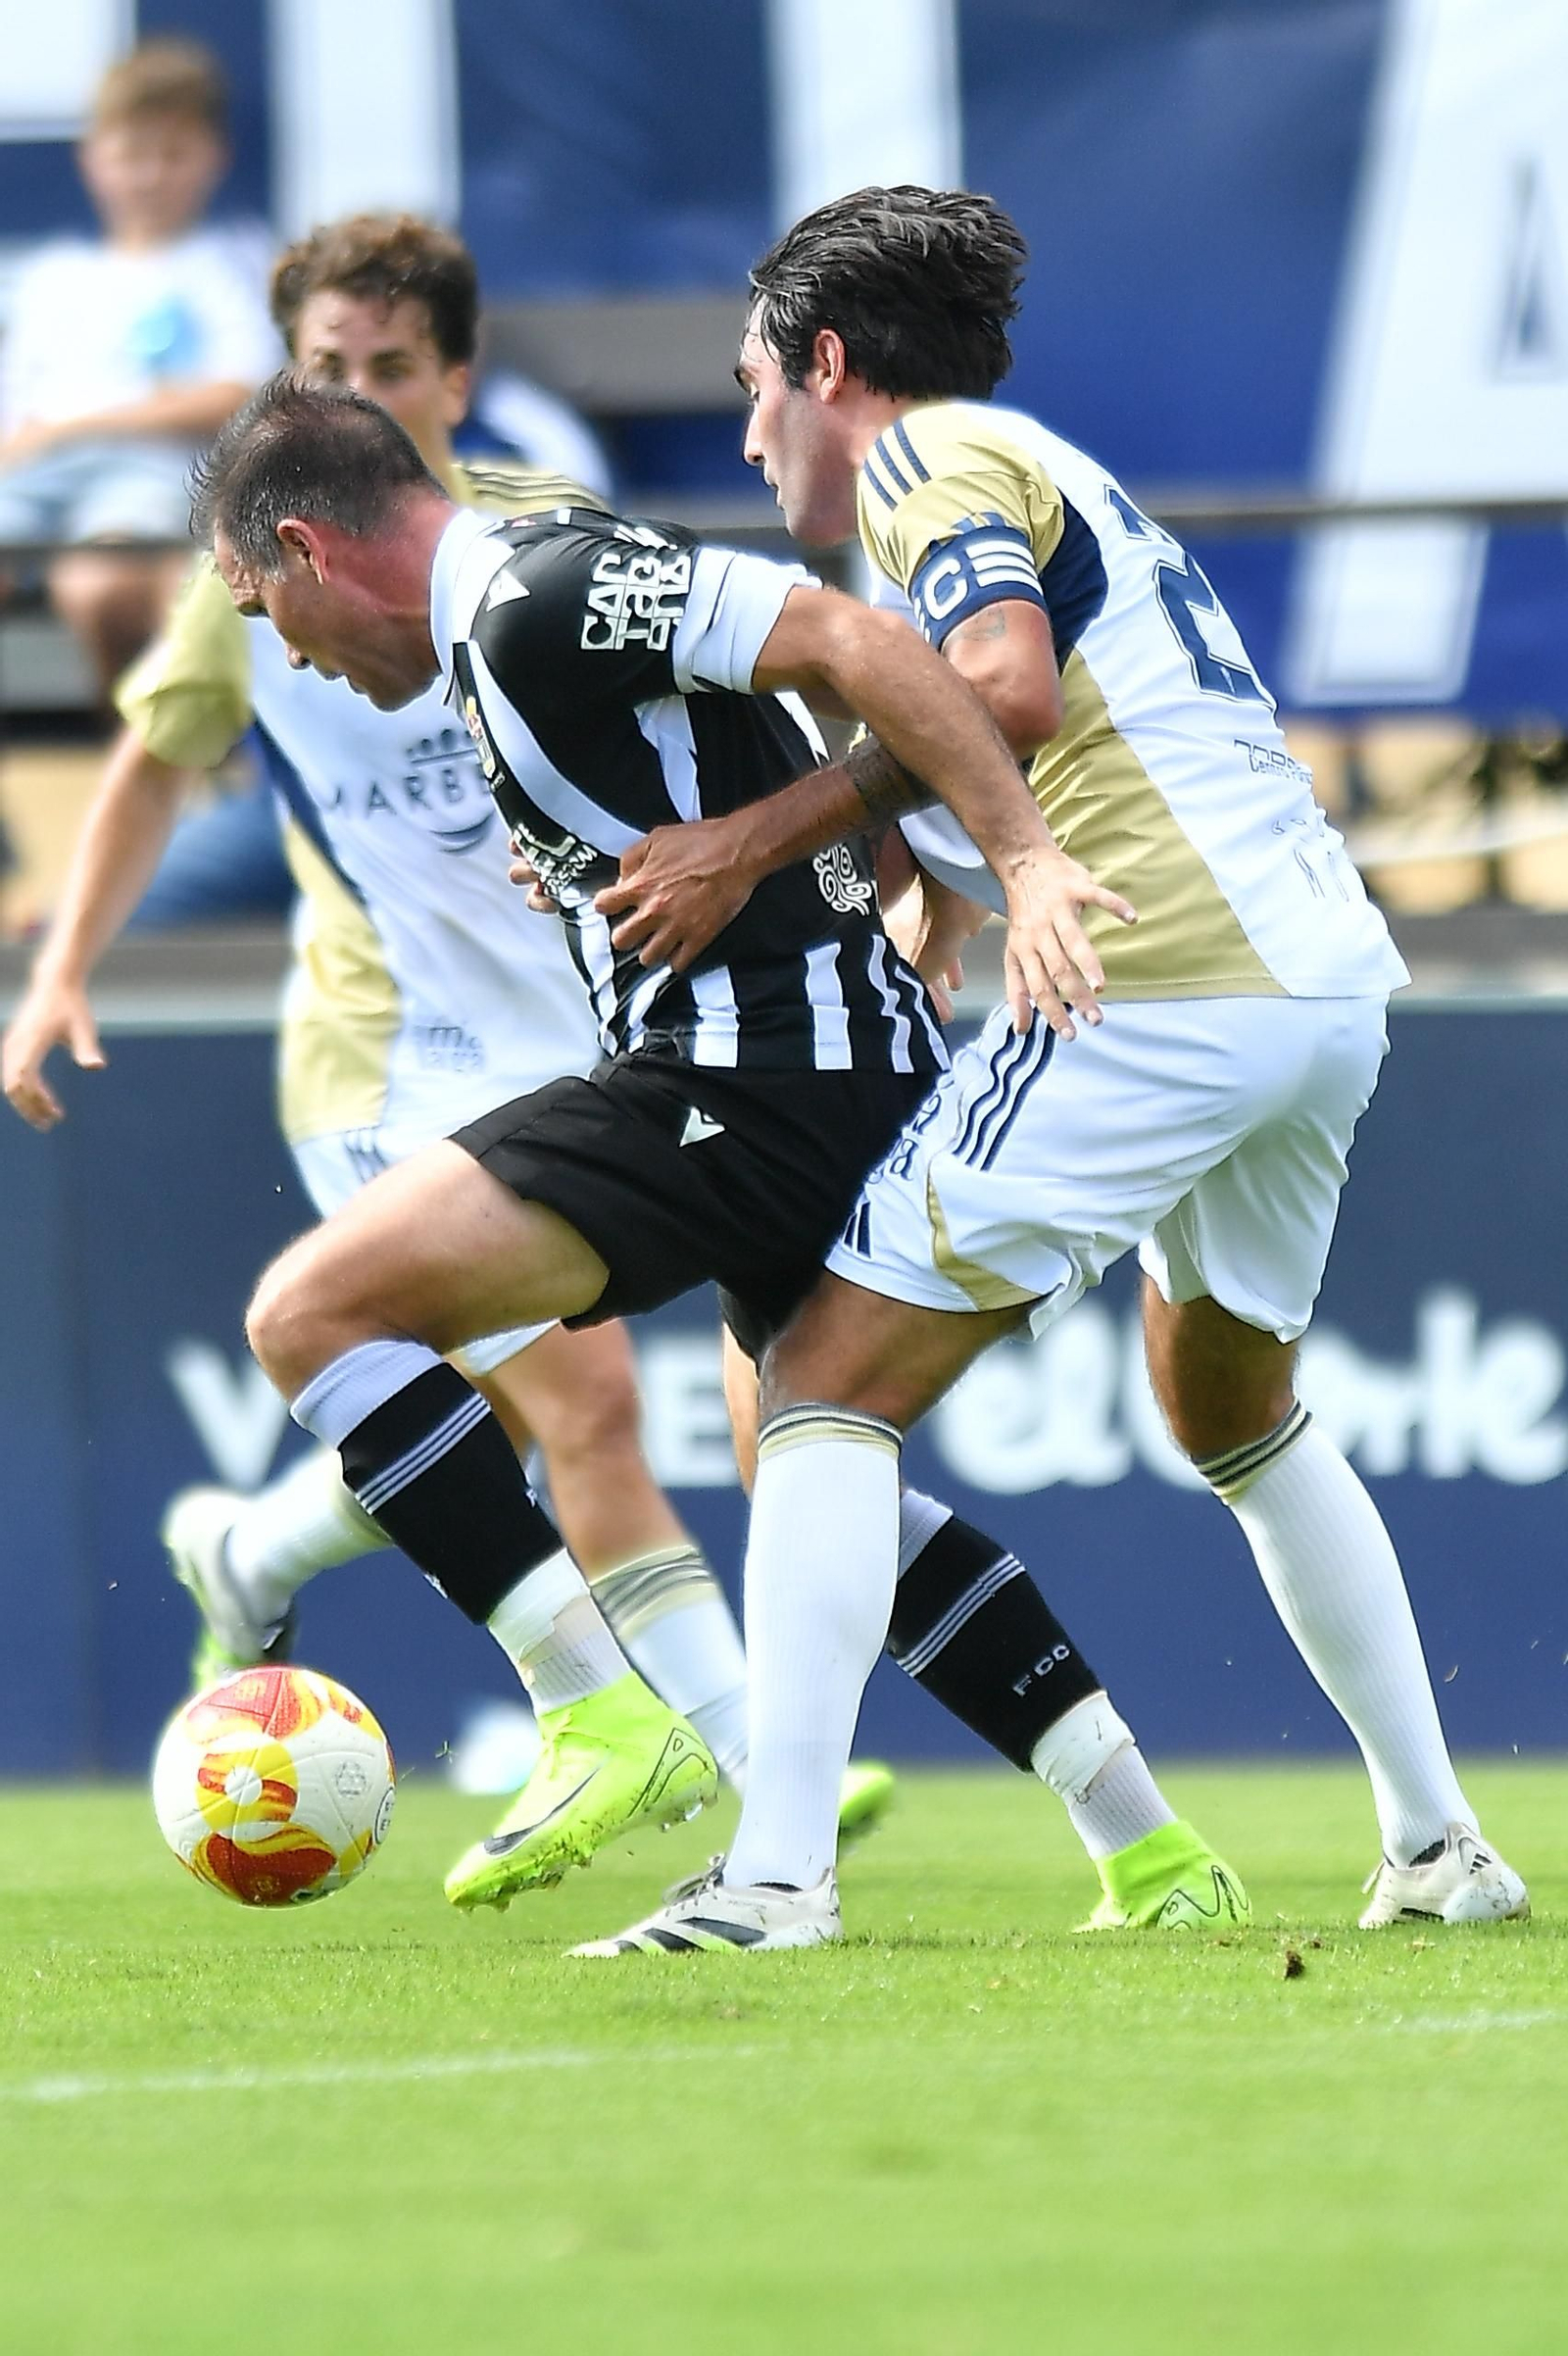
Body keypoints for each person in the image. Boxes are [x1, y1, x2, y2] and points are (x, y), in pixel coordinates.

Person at [573, 185, 1529, 1955]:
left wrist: (745, 842)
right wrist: (921, 892)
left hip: (1156, 976)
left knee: (818, 1382)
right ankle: (1437, 1839)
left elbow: (1001, 689)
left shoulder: (930, 460)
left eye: (754, 384)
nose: (750, 427)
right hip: (1317, 976)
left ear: (829, 362)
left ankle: (776, 1874)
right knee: (1233, 1407)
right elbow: (1027, 726)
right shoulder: (1040, 464)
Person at [186, 371, 1249, 1930]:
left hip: (754, 1075)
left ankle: (596, 1705)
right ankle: (1153, 1853)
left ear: (304, 546)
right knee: (824, 1480)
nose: (285, 652)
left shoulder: (535, 588)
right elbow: (767, 714)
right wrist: (686, 848)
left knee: (314, 1313)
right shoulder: (518, 627)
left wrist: (1001, 861)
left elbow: (859, 641)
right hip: (799, 1065)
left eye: (260, 606)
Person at [0, 213, 775, 1849]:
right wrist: (65, 960)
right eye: (326, 366)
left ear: (457, 377)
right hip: (380, 1053)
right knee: (587, 1409)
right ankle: (733, 1754)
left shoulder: (548, 539)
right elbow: (152, 762)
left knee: (500, 1415)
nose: (360, 388)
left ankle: (257, 1556)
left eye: (390, 367)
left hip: (576, 1038)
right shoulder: (251, 571)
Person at [0, 39, 275, 697]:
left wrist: (75, 428)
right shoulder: (50, 278)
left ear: (215, 159)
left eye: (173, 154)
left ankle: (142, 753)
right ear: (93, 160)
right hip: (34, 474)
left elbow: (238, 392)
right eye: (131, 154)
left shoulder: (231, 266)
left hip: (158, 474)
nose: (150, 175)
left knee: (101, 584)